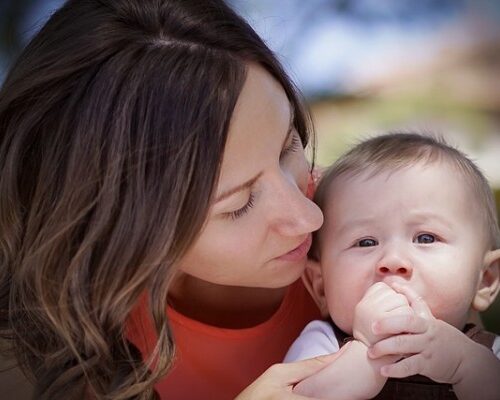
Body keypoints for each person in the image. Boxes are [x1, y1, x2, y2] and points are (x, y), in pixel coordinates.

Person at [0, 0, 337, 399]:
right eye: (239, 204)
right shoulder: (45, 354)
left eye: (288, 146)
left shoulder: (382, 229)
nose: (309, 217)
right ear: (124, 229)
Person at [285, 132, 500, 399]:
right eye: (365, 242)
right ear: (320, 286)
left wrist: (466, 367)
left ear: (486, 280)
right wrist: (366, 355)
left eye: (425, 238)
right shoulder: (322, 345)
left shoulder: (491, 355)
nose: (393, 261)